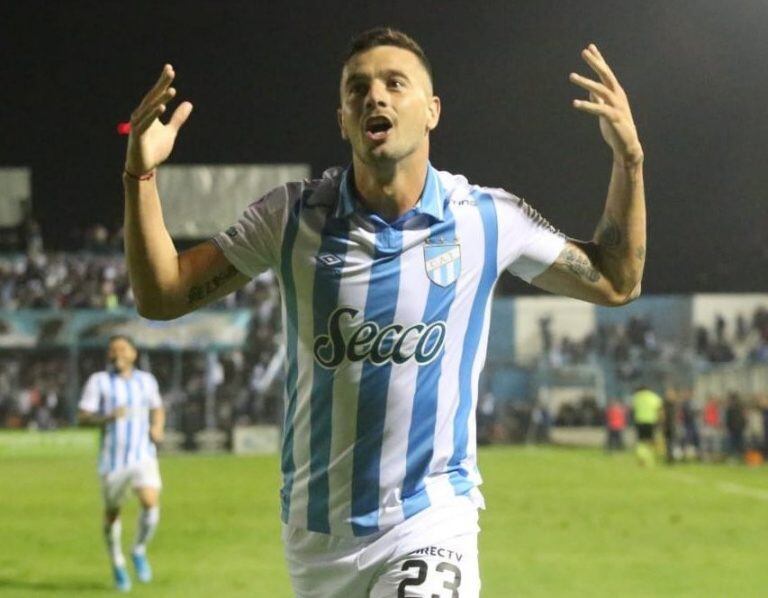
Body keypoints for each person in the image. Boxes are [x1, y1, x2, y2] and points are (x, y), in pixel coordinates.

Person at [122, 28, 645, 597]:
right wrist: (140, 178)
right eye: (358, 88)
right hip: (316, 534)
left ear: (432, 112)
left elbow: (617, 281)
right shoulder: (291, 218)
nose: (376, 96)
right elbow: (163, 295)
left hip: (431, 518)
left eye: (396, 83)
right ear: (343, 118)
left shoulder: (487, 219)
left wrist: (630, 161)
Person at [78, 335, 165, 592]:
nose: (117, 353)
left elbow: (157, 407)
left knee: (150, 501)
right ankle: (117, 562)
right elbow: (83, 416)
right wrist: (106, 417)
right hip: (113, 461)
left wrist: (157, 427)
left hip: (143, 455)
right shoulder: (99, 381)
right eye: (112, 349)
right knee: (113, 512)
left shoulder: (146, 381)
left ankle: (138, 549)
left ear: (133, 354)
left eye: (122, 348)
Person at [631, 386, 662, 467]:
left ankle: (641, 457)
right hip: (651, 421)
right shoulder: (654, 396)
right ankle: (649, 460)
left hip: (640, 421)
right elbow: (659, 409)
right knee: (650, 440)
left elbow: (633, 408)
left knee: (640, 441)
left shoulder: (636, 397)